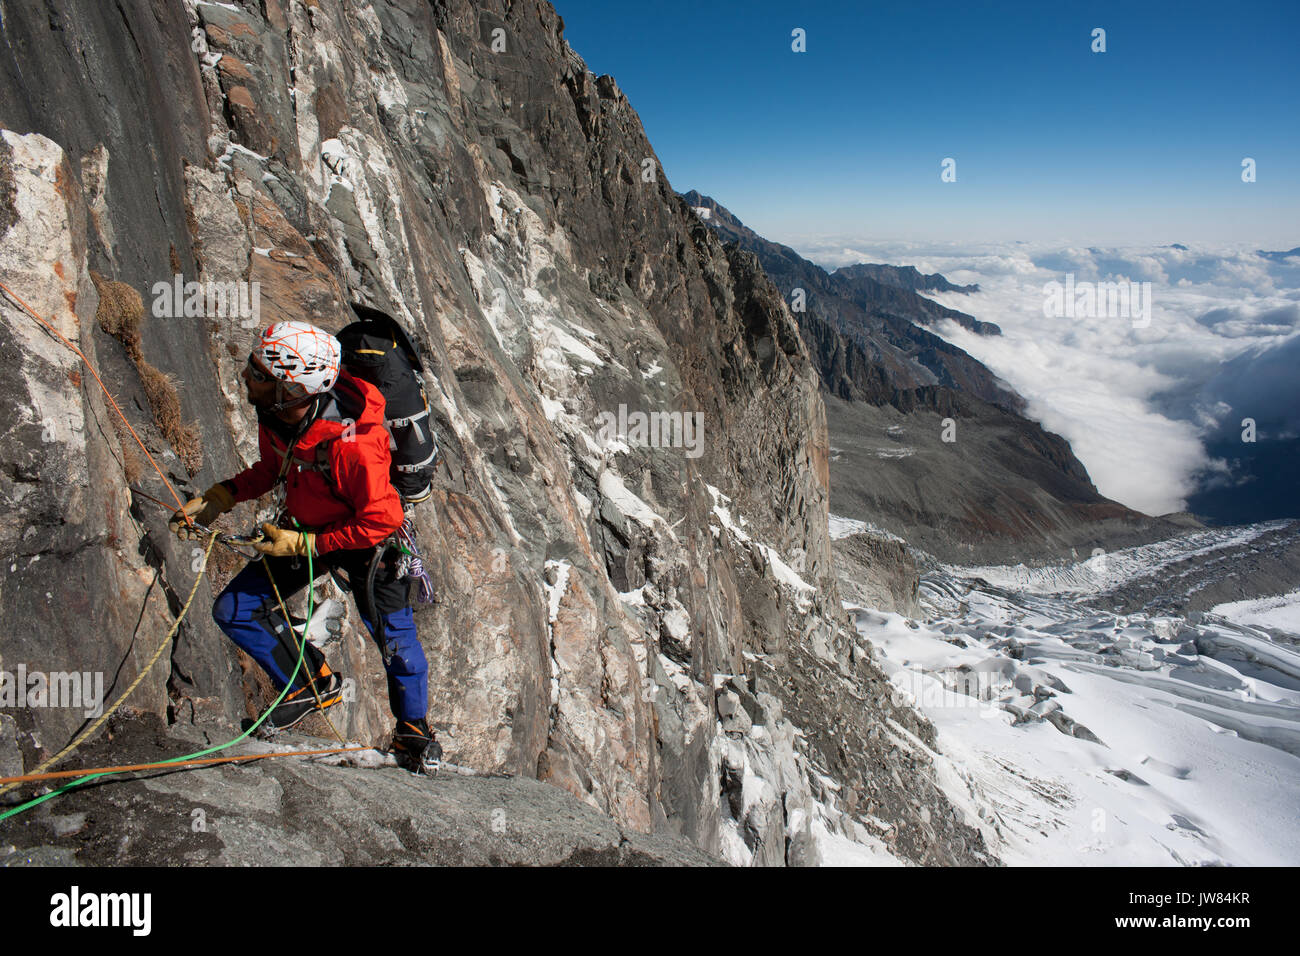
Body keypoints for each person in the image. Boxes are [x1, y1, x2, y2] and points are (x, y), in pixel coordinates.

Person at [169, 320, 440, 772]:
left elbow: (381, 519)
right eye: (254, 367)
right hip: (306, 532)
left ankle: (414, 731)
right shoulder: (277, 416)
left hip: (366, 544)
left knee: (395, 642)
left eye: (259, 374)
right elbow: (273, 469)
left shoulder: (355, 447)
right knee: (235, 609)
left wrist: (306, 543)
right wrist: (222, 495)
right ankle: (310, 684)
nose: (247, 378)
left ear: (292, 389)